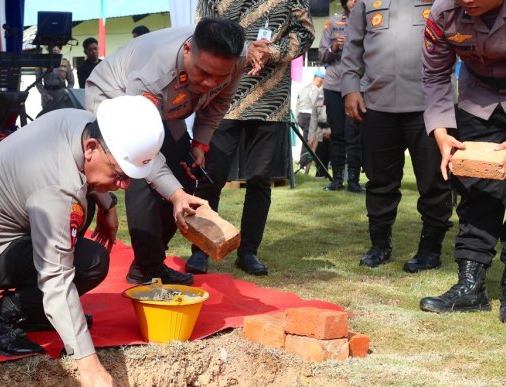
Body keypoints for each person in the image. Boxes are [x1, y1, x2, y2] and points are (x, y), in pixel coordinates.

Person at [0, 95, 166, 387]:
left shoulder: (79, 122)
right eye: (119, 174)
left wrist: (107, 205)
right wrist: (87, 363)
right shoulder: (58, 190)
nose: (124, 185)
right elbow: (57, 277)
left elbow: (86, 176)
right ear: (92, 149)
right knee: (88, 264)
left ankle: (39, 314)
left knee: (83, 250)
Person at [86, 19, 251, 285]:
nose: (210, 83)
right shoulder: (151, 74)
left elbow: (220, 101)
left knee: (185, 176)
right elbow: (146, 159)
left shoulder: (237, 58)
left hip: (168, 103)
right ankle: (148, 270)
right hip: (116, 95)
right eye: (203, 72)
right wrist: (173, 194)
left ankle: (148, 262)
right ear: (187, 50)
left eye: (219, 76)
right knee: (141, 176)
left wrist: (200, 143)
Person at [420, 0, 506, 325]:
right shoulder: (443, 12)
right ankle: (470, 286)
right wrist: (441, 131)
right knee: (476, 192)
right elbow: (434, 75)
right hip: (480, 101)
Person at [185, 0, 315, 276]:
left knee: (260, 180)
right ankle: (200, 250)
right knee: (210, 176)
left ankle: (248, 252)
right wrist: (245, 52)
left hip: (270, 102)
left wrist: (274, 51)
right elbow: (201, 32)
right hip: (222, 96)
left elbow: (305, 33)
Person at [341, 0, 453, 271]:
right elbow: (353, 47)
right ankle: (379, 245)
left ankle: (429, 249)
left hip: (429, 106)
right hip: (377, 104)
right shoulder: (366, 2)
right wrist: (349, 88)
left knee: (434, 182)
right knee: (379, 181)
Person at [318, 0, 365, 193]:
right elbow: (321, 55)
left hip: (358, 85)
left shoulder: (368, 20)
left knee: (355, 134)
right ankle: (337, 179)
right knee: (337, 133)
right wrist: (334, 48)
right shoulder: (333, 23)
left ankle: (354, 180)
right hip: (334, 86)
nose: (353, 1)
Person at [295, 69, 326, 174]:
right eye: (322, 81)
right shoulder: (315, 89)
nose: (322, 83)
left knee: (306, 140)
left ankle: (305, 164)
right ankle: (303, 165)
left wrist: (297, 117)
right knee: (309, 142)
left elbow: (297, 104)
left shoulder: (303, 88)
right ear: (318, 79)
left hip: (301, 116)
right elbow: (315, 105)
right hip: (309, 117)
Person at [36, 44, 75, 115]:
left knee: (61, 118)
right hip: (47, 95)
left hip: (61, 95)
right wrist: (45, 95)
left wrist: (64, 94)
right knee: (47, 117)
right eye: (53, 47)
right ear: (49, 49)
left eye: (58, 47)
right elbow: (38, 82)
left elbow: (71, 82)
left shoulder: (65, 62)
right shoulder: (42, 62)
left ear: (60, 49)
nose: (56, 49)